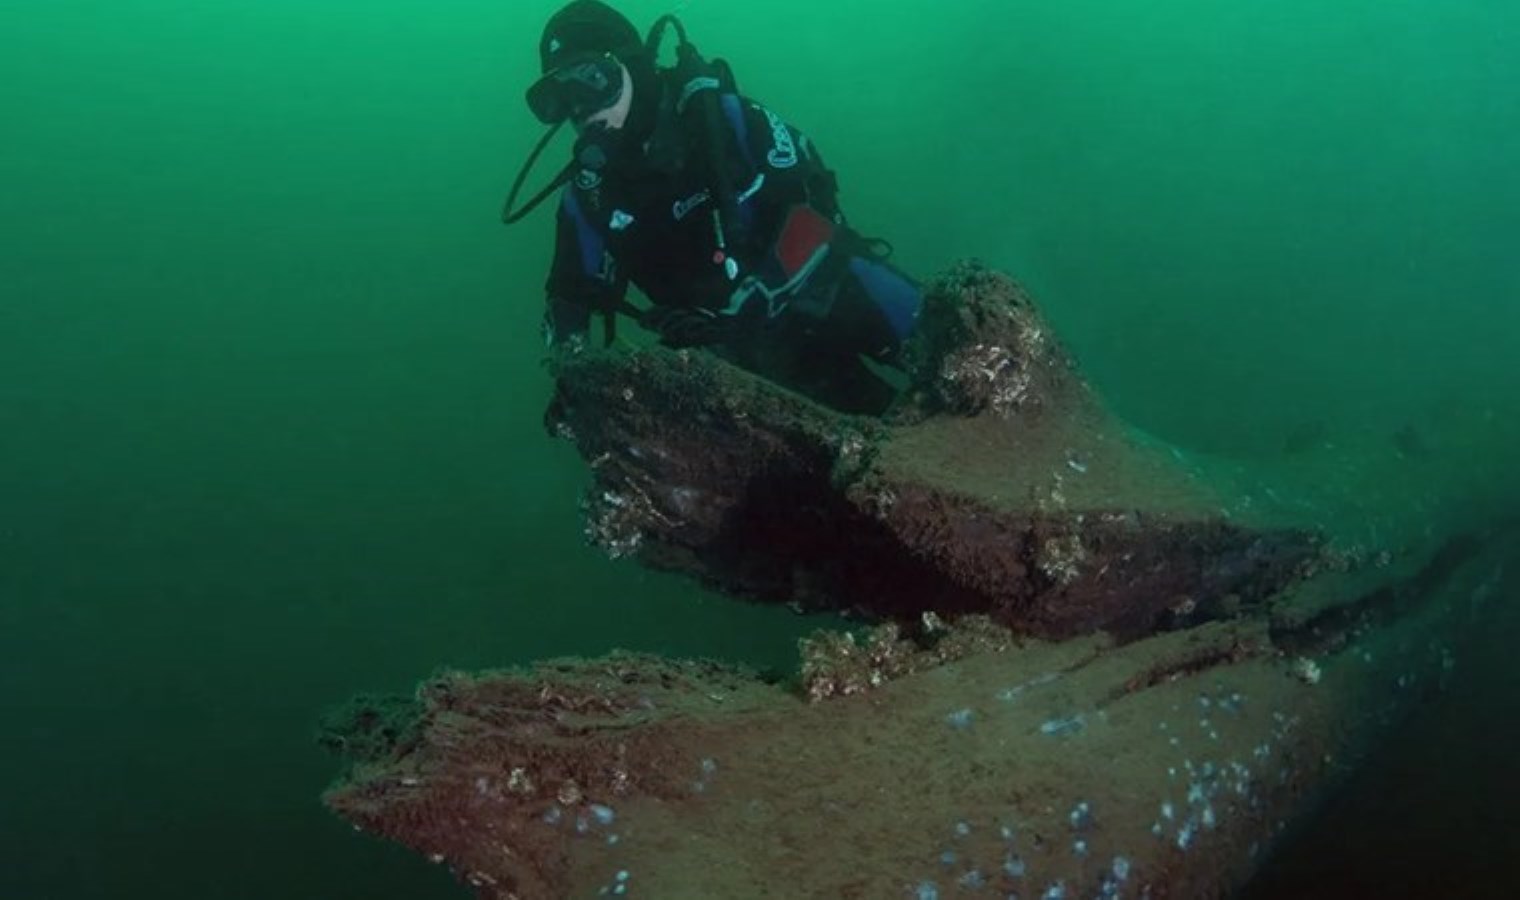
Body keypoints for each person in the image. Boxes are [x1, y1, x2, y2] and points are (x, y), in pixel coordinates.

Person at [506, 0, 923, 414]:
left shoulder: (720, 118)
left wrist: (749, 303)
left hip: (837, 292)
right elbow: (569, 296)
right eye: (560, 96)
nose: (580, 109)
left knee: (962, 351)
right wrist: (572, 375)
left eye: (591, 79)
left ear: (632, 64)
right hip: (747, 359)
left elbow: (812, 204)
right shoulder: (589, 195)